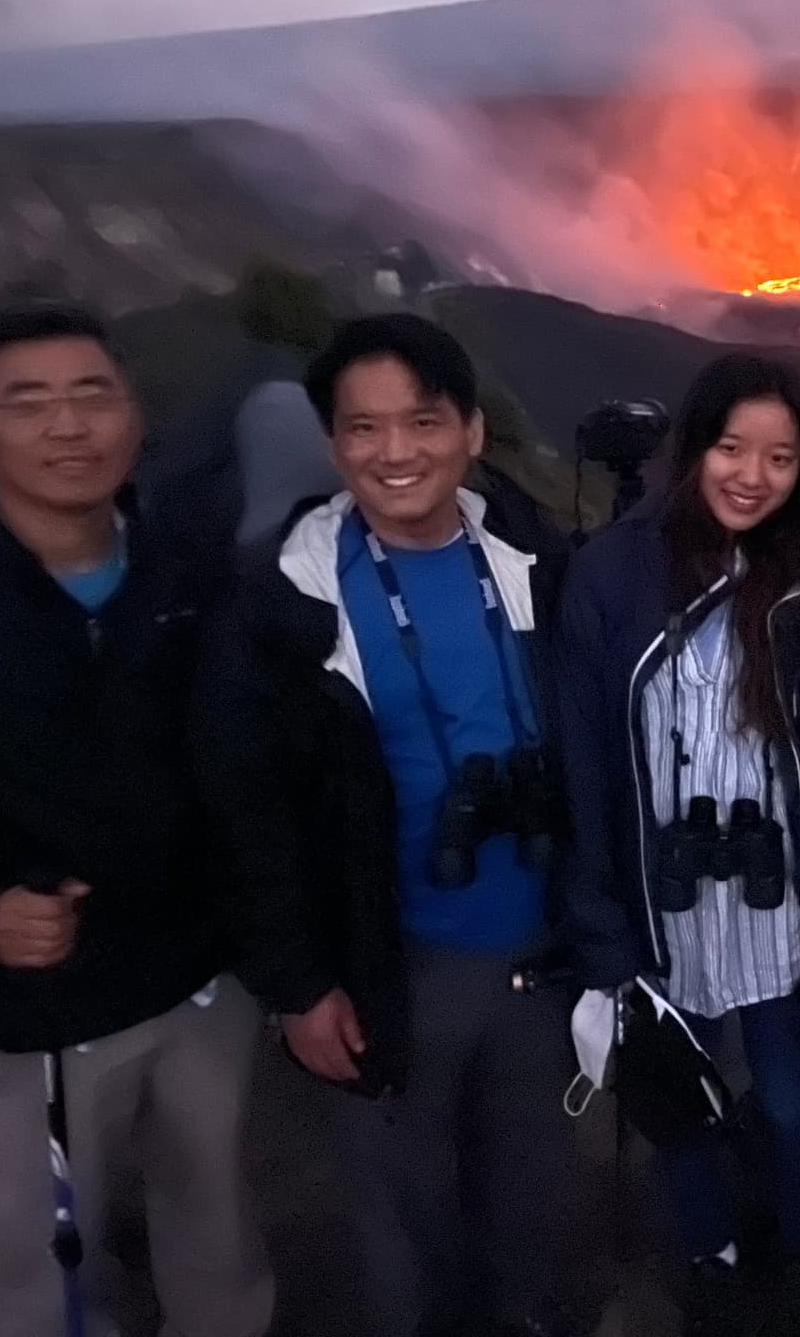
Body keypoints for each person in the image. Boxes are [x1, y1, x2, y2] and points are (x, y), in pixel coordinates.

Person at [197, 313, 578, 1337]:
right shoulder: (283, 603)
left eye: (422, 421)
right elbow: (252, 814)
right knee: (402, 1222)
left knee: (531, 1201)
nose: (395, 452)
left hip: (542, 962)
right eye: (364, 429)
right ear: (333, 448)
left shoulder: (535, 556)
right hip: (385, 965)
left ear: (472, 432)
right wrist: (300, 987)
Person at [0, 306, 273, 1337]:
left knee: (217, 1229)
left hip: (196, 986)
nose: (68, 427)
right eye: (29, 403)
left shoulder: (186, 572)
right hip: (31, 1007)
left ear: (136, 417)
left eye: (93, 395)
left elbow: (246, 765)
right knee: (42, 1257)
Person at [557, 354, 800, 1337]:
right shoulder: (614, 572)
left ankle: (798, 1245)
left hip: (771, 901)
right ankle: (711, 1254)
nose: (750, 474)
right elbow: (586, 760)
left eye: (778, 456)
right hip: (661, 898)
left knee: (791, 1104)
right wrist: (602, 927)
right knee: (679, 1104)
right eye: (732, 447)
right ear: (695, 448)